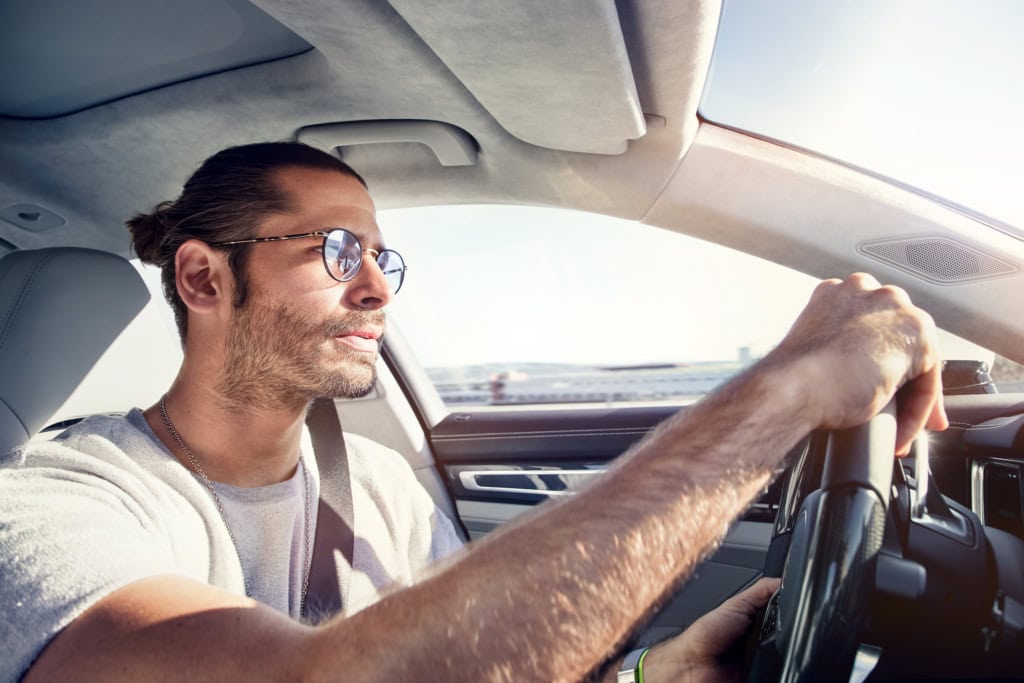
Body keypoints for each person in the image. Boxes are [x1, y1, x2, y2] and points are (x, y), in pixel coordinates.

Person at [0, 142, 947, 683]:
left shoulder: (379, 488)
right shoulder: (55, 510)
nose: (377, 289)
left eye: (382, 258)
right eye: (337, 251)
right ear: (205, 277)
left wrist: (644, 679)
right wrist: (781, 393)